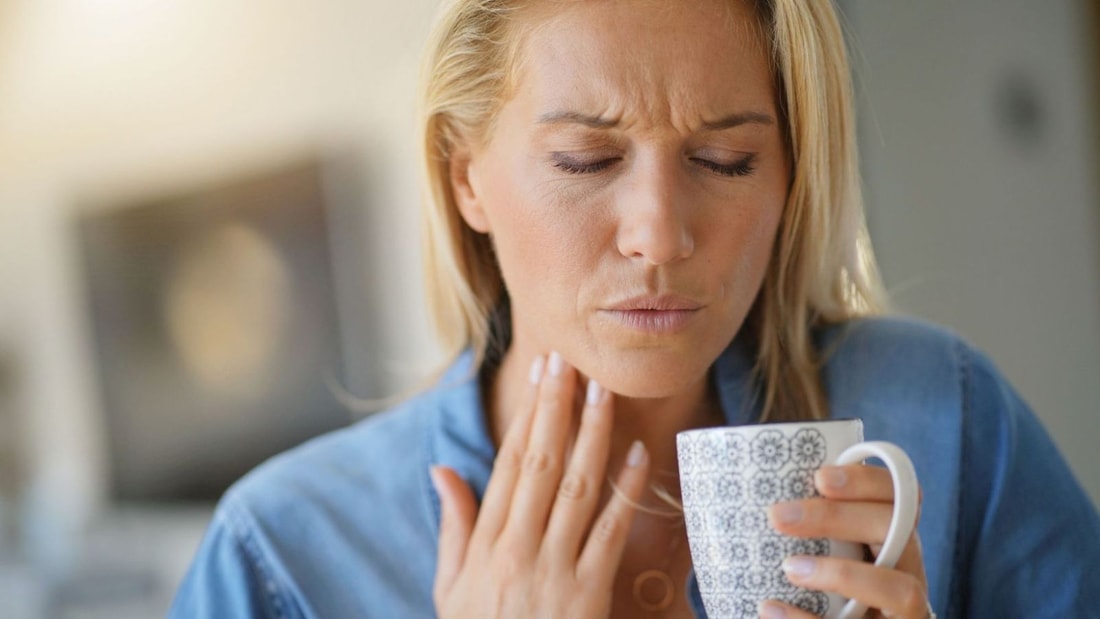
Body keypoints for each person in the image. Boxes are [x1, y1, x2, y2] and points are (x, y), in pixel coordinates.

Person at [170, 0, 1100, 617]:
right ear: (467, 181)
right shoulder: (281, 557)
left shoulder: (948, 419)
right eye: (585, 160)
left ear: (788, 175)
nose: (659, 234)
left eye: (725, 162)